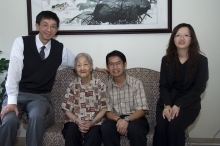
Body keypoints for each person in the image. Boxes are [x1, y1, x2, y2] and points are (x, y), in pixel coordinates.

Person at [0, 11, 106, 146]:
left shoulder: (59, 49)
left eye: (53, 26)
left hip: (39, 97)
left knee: (37, 118)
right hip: (16, 94)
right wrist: (12, 102)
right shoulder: (21, 42)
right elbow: (13, 73)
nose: (49, 30)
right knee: (9, 121)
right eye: (45, 25)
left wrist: (95, 67)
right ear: (37, 26)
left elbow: (77, 62)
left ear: (57, 29)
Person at [153, 23, 209, 146]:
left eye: (186, 35)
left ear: (191, 38)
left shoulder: (201, 61)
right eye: (178, 35)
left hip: (188, 104)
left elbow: (199, 88)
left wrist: (178, 105)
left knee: (174, 127)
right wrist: (167, 105)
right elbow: (164, 86)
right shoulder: (166, 59)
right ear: (173, 39)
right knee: (161, 128)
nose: (181, 38)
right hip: (167, 101)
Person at [101, 50, 149, 146]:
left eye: (118, 63)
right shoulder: (106, 86)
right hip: (116, 119)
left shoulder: (136, 83)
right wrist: (119, 120)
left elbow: (142, 110)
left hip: (136, 118)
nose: (115, 67)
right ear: (107, 67)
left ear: (124, 64)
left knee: (134, 128)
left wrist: (127, 119)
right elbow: (107, 111)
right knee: (106, 127)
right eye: (111, 64)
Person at [61, 53, 107, 146]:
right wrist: (77, 121)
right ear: (75, 68)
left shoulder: (100, 85)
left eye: (85, 64)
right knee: (70, 131)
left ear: (91, 67)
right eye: (79, 65)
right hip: (75, 121)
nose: (82, 68)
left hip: (95, 122)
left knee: (94, 134)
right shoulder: (72, 86)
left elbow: (104, 108)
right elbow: (67, 110)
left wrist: (92, 122)